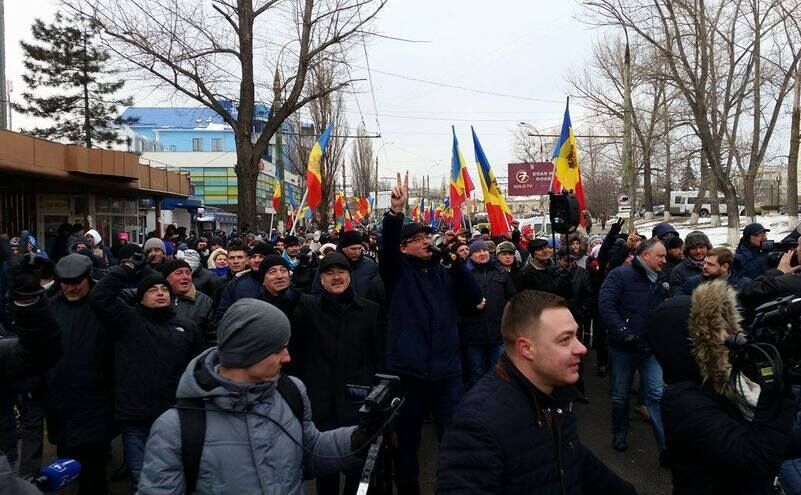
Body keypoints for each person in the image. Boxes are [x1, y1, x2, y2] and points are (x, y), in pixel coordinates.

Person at [137, 298, 376, 494]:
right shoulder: (175, 429)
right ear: (250, 351)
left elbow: (309, 452)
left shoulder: (290, 391)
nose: (287, 358)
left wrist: (357, 439)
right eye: (278, 349)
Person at [436, 291, 637, 495]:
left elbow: (574, 460)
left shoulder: (555, 395)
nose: (582, 348)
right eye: (565, 339)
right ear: (526, 348)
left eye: (576, 335)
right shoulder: (477, 425)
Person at [380, 172, 483, 494]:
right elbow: (386, 248)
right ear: (404, 247)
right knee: (407, 438)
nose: (427, 241)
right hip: (409, 371)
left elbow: (473, 296)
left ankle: (451, 486)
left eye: (429, 237)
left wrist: (453, 260)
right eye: (420, 239)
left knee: (451, 436)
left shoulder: (443, 271)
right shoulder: (397, 272)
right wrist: (396, 213)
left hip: (446, 370)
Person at [649, 282, 797, 494]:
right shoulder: (683, 400)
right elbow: (754, 458)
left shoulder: (727, 383)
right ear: (693, 342)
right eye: (717, 329)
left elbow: (775, 440)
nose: (728, 336)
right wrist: (776, 391)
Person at [89, 263, 205, 492]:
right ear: (140, 298)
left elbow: (199, 369)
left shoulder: (187, 328)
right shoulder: (128, 321)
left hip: (176, 415)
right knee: (141, 477)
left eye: (164, 289)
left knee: (177, 476)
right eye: (153, 290)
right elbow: (100, 297)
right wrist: (127, 269)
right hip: (136, 416)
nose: (160, 293)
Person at [291, 253, 383, 495]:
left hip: (358, 402)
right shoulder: (308, 309)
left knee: (357, 466)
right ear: (321, 280)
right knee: (326, 471)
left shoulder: (370, 311)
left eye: (340, 272)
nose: (336, 277)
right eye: (329, 273)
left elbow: (378, 356)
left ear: (349, 276)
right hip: (321, 402)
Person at [44, 254, 115, 494]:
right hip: (60, 404)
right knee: (67, 466)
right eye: (65, 283)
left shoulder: (105, 307)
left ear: (88, 278)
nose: (71, 288)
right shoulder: (50, 308)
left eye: (77, 282)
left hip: (97, 401)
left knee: (93, 472)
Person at [598, 237, 670, 455]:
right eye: (660, 256)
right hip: (623, 350)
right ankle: (619, 434)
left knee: (657, 395)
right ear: (645, 255)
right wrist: (624, 333)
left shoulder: (660, 280)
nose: (664, 260)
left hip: (650, 350)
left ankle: (665, 447)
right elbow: (606, 306)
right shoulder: (619, 275)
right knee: (620, 395)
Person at [460, 239, 516, 388]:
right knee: (477, 373)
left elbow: (512, 298)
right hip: (474, 334)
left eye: (484, 250)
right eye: (477, 251)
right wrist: (471, 306)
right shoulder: (464, 274)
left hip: (497, 333)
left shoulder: (501, 271)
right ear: (471, 255)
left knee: (499, 372)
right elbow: (456, 302)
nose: (482, 253)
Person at [160, 259, 215, 345]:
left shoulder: (204, 302)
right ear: (166, 278)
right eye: (179, 273)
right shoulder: (157, 298)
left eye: (188, 273)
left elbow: (213, 338)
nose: (185, 277)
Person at [681, 246, 751, 295]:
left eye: (710, 264)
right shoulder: (693, 283)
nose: (705, 267)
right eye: (705, 262)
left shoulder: (745, 284)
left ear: (725, 267)